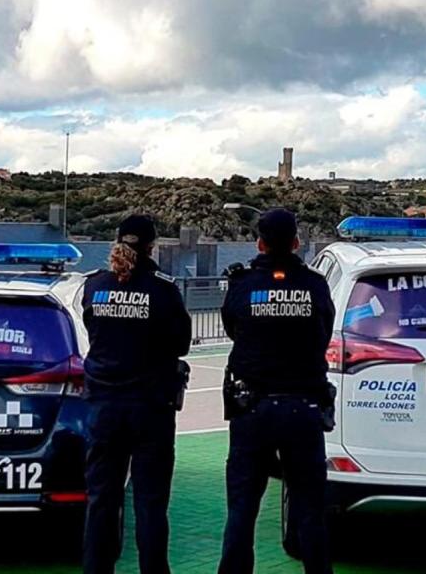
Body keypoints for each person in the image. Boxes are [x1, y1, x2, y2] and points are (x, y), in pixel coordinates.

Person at [218, 208, 336, 574]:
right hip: (303, 407)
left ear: (260, 243)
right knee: (310, 512)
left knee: (242, 509)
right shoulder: (315, 285)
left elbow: (232, 327)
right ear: (297, 242)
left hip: (251, 408)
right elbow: (324, 333)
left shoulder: (242, 285)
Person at [81, 214, 192, 574]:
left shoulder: (94, 286)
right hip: (151, 411)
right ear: (151, 246)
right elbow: (181, 343)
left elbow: (92, 327)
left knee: (101, 501)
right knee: (150, 504)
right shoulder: (163, 289)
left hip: (103, 409)